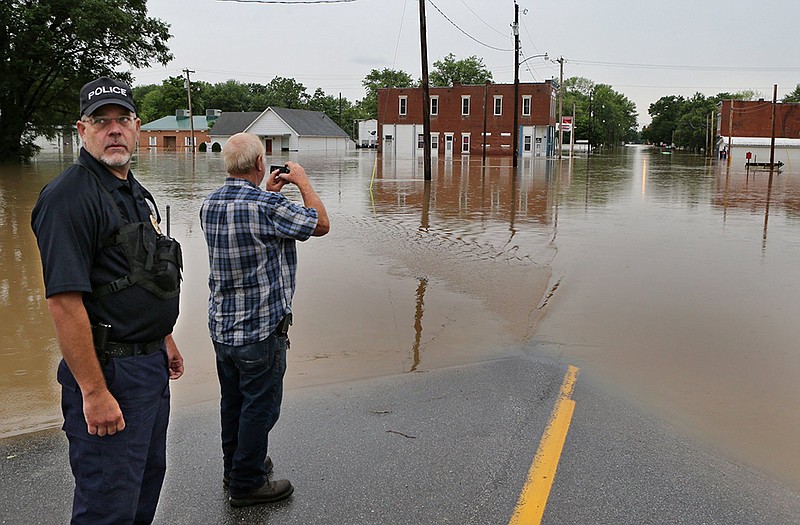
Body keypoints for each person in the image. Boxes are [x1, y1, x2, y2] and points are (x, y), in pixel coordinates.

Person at [31, 77, 185, 524]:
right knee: (108, 504)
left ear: (137, 127)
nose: (113, 130)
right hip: (110, 372)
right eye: (101, 121)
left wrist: (165, 338)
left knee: (143, 488)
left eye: (121, 120)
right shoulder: (68, 198)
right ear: (82, 130)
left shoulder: (135, 191)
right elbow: (63, 302)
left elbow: (142, 274)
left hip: (149, 365)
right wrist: (94, 391)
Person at [200, 132, 329, 507]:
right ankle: (248, 482)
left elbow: (253, 223)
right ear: (260, 164)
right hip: (260, 330)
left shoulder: (209, 204)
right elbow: (319, 224)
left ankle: (237, 467)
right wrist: (301, 181)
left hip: (222, 328)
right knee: (260, 405)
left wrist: (269, 191)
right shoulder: (266, 208)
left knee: (233, 402)